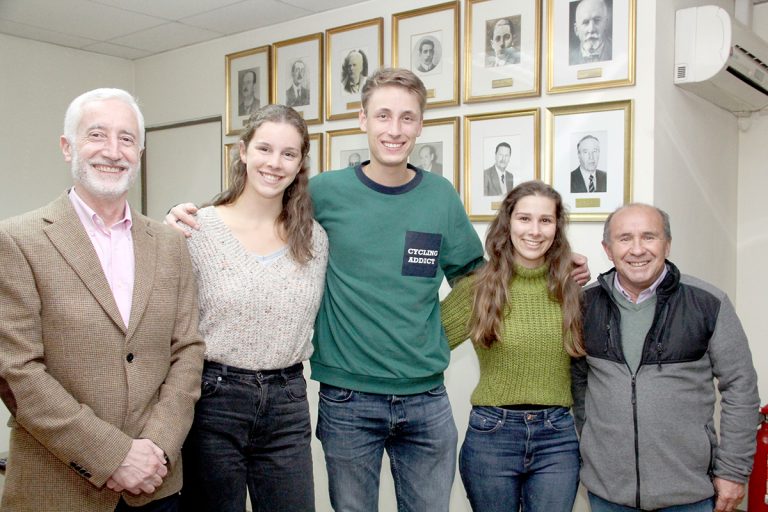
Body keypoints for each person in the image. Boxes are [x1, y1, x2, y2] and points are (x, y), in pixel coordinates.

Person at [166, 68, 590, 512]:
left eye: (407, 118)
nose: (395, 129)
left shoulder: (440, 197)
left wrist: (551, 268)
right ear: (363, 120)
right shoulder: (325, 193)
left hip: (426, 401)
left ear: (421, 125)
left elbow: (477, 275)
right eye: (383, 115)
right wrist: (186, 216)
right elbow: (259, 205)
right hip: (348, 401)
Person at [0, 88, 205, 512]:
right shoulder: (17, 240)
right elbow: (16, 372)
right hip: (57, 489)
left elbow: (188, 350)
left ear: (140, 152)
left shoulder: (169, 243)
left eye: (127, 139)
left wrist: (158, 446)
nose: (113, 151)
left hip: (156, 485)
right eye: (97, 135)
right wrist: (113, 456)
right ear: (67, 146)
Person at [179, 104, 327, 512]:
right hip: (214, 399)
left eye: (288, 153)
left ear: (300, 164)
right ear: (243, 151)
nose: (274, 163)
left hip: (287, 402)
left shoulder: (313, 239)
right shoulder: (195, 229)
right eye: (264, 149)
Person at [572, 203, 760, 512]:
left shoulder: (709, 303)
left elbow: (741, 387)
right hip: (608, 494)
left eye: (649, 237)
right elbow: (579, 382)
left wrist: (733, 470)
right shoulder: (583, 305)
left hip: (689, 494)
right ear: (607, 248)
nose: (637, 249)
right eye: (624, 238)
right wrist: (592, 441)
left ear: (667, 244)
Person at [442, 181, 584, 512]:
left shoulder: (573, 288)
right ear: (508, 224)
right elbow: (423, 343)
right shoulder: (479, 287)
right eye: (524, 219)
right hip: (493, 435)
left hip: (558, 438)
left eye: (545, 220)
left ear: (557, 228)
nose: (534, 231)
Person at [570, 0, 612, 65]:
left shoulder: (616, 52)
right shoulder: (570, 58)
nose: (591, 29)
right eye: (585, 22)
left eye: (597, 20)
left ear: (605, 24)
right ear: (576, 30)